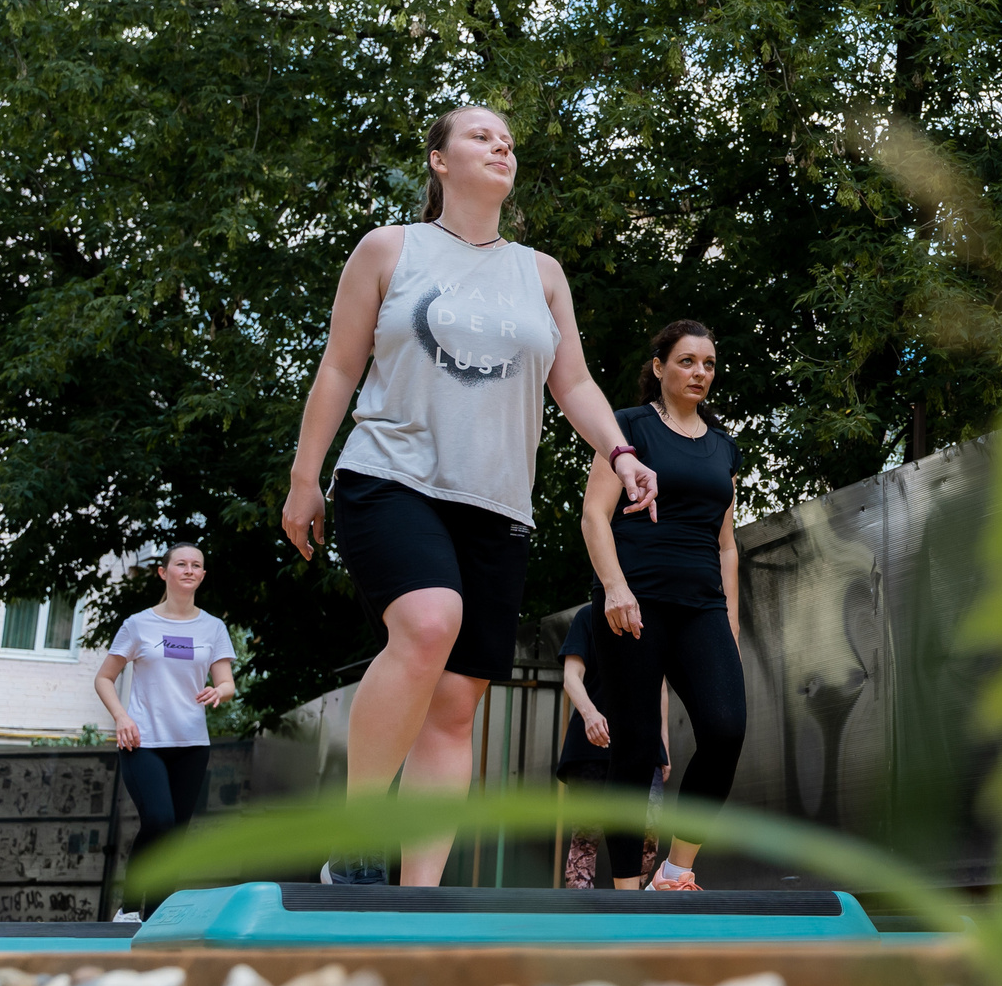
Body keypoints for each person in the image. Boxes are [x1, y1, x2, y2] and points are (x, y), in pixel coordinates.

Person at [282, 104, 660, 888]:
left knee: (456, 704)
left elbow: (576, 381)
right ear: (438, 159)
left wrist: (621, 450)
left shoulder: (541, 272)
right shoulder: (392, 249)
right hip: (391, 474)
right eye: (481, 135)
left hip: (496, 503)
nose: (501, 145)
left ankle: (416, 900)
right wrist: (303, 475)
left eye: (508, 140)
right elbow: (338, 368)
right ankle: (357, 841)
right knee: (428, 622)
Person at [581, 320, 746, 890]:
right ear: (659, 368)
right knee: (636, 746)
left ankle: (676, 870)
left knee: (726, 730)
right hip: (635, 601)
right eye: (687, 361)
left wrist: (731, 620)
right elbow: (594, 517)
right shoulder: (627, 430)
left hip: (701, 606)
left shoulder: (724, 445)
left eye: (708, 364)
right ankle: (629, 892)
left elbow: (727, 544)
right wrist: (615, 588)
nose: (699, 372)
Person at [93, 542, 238, 917]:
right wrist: (122, 717)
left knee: (175, 834)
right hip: (143, 741)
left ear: (203, 576)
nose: (189, 570)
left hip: (191, 743)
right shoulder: (139, 624)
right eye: (181, 564)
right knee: (158, 820)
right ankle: (128, 909)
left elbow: (228, 683)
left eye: (197, 565)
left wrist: (218, 690)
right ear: (164, 572)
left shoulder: (213, 627)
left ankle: (156, 916)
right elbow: (105, 678)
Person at [551, 602, 667, 888]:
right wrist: (590, 714)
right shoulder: (586, 616)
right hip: (592, 744)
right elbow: (571, 677)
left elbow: (660, 687)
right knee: (587, 835)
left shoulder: (653, 617)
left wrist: (663, 744)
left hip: (644, 742)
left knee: (649, 832)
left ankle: (632, 910)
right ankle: (581, 922)